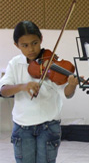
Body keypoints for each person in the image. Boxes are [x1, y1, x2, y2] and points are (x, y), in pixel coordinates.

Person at [0, 20, 79, 163]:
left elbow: (67, 93)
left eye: (35, 43)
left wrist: (72, 85)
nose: (31, 49)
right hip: (22, 127)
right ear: (16, 45)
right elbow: (3, 91)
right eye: (25, 45)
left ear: (41, 39)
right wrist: (22, 86)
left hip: (48, 127)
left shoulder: (51, 63)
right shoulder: (15, 63)